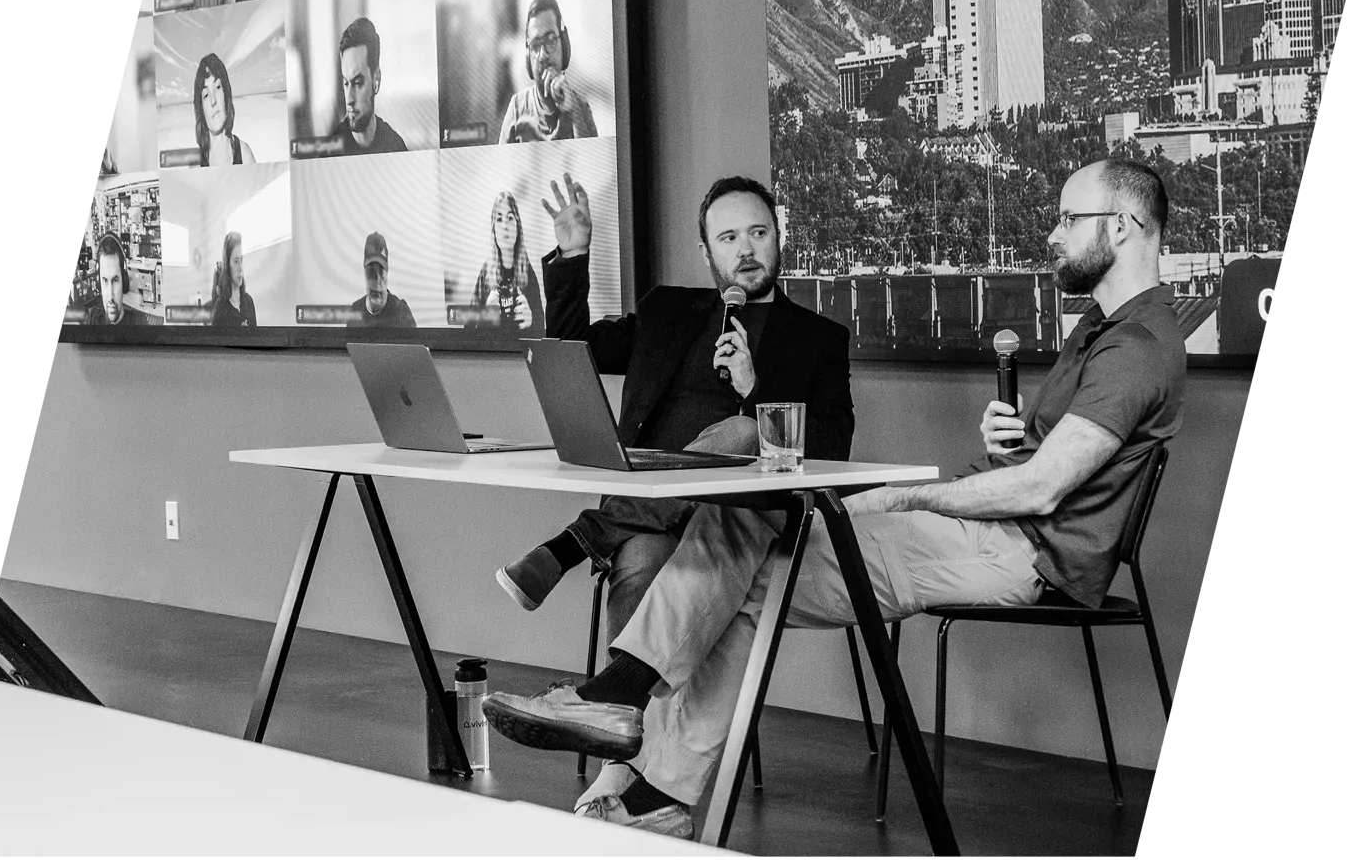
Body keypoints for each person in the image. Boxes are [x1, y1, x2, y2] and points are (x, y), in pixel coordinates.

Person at [483, 159, 1188, 838]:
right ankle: (641, 761)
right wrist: (1012, 440)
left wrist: (909, 494)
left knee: (750, 556)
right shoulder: (1102, 327)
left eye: (1070, 218)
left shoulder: (1138, 346)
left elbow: (1043, 489)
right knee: (750, 538)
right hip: (993, 526)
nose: (1055, 234)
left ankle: (627, 722)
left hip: (1017, 551)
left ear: (1124, 225)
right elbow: (1046, 465)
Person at [494, 171, 854, 638]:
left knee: (745, 431)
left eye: (758, 233)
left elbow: (835, 449)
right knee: (642, 562)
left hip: (745, 516)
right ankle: (620, 708)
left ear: (777, 239)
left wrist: (754, 392)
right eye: (728, 237)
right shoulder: (666, 311)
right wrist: (573, 255)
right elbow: (574, 349)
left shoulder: (820, 339)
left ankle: (572, 545)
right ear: (706, 252)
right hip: (649, 517)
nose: (745, 249)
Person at [499, 0, 598, 144]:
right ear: (528, 57)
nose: (543, 55)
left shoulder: (581, 107)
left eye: (551, 40)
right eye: (535, 45)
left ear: (564, 45)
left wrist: (573, 114)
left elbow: (592, 163)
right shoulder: (517, 107)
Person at [471, 192, 544, 335]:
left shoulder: (528, 272)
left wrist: (531, 321)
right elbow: (466, 325)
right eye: (499, 219)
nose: (505, 226)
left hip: (520, 354)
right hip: (491, 354)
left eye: (510, 218)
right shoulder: (485, 272)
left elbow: (541, 329)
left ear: (518, 226)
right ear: (494, 230)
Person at [331, 18, 407, 156]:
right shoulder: (330, 151)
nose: (349, 99)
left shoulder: (395, 147)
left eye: (358, 83)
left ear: (376, 79)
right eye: (346, 83)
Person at [194, 53, 256, 167]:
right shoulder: (196, 163)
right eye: (206, 95)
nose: (213, 101)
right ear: (201, 109)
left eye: (217, 87)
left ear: (226, 94)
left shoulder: (244, 154)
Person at [83, 233, 159, 325]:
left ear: (124, 280)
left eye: (115, 280)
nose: (110, 296)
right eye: (104, 280)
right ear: (98, 282)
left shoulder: (140, 322)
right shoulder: (91, 318)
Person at [348, 231, 416, 328]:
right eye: (371, 271)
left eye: (381, 270)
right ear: (364, 271)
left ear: (387, 272)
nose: (376, 279)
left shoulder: (402, 313)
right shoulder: (355, 311)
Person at [210, 231, 257, 327]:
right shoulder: (221, 308)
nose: (240, 268)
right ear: (227, 265)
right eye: (236, 261)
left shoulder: (249, 301)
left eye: (241, 260)